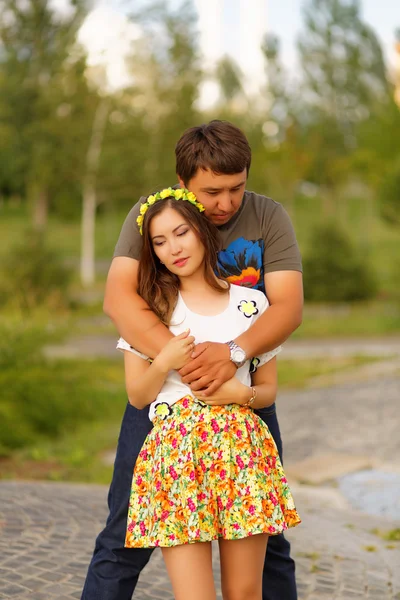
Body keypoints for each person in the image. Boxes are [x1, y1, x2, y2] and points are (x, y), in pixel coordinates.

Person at [82, 120, 303, 600]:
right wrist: (184, 362)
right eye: (212, 192)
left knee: (272, 546)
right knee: (123, 535)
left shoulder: (268, 216)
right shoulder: (155, 215)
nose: (226, 203)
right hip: (169, 408)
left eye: (236, 188)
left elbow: (287, 305)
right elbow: (119, 299)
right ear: (183, 186)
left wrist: (233, 355)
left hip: (241, 404)